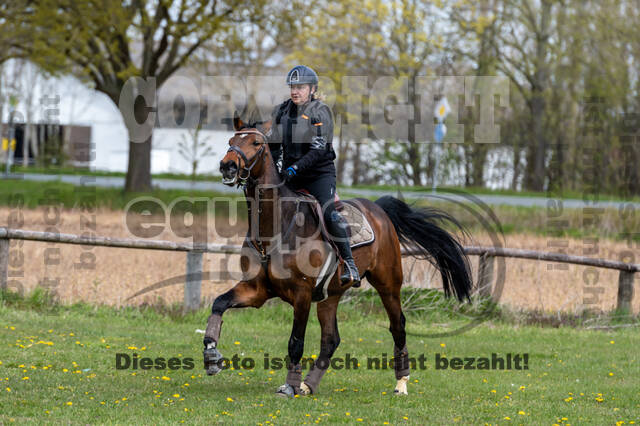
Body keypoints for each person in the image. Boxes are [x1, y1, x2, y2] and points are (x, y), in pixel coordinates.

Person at [266, 65, 360, 286]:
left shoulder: (321, 111)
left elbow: (318, 151)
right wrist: (277, 168)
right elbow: (274, 145)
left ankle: (349, 264)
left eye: (300, 87)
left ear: (312, 88)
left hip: (319, 174)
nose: (295, 91)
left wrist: (294, 169)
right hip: (290, 174)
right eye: (292, 87)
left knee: (329, 212)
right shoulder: (281, 111)